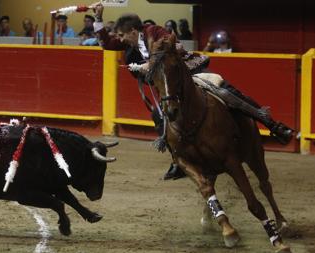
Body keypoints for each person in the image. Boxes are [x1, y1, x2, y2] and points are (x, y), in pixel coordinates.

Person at [91, 3, 293, 180]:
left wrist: (147, 64)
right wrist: (98, 18)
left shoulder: (154, 31)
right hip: (171, 84)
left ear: (133, 31)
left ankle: (270, 123)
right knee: (158, 115)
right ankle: (178, 159)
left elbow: (176, 48)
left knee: (224, 91)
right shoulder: (132, 43)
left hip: (191, 71)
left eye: (122, 35)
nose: (120, 39)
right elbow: (106, 44)